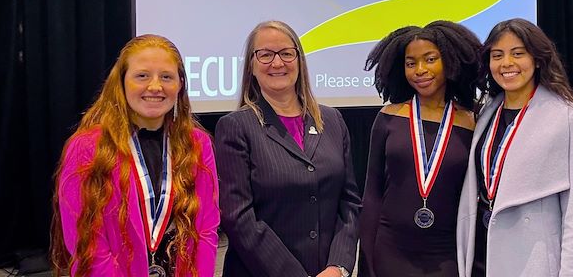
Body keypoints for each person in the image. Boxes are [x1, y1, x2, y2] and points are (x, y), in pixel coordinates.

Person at [50, 34, 220, 277]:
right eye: (142, 76)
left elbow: (206, 230)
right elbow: (87, 245)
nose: (155, 86)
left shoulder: (198, 144)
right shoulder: (87, 148)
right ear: (121, 83)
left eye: (166, 77)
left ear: (180, 84)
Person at [215, 20, 361, 277]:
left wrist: (338, 267)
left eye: (286, 53)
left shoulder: (333, 121)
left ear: (299, 60)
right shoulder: (235, 127)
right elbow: (238, 218)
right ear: (252, 65)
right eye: (266, 54)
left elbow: (349, 203)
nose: (278, 63)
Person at [456, 18, 573, 277]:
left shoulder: (568, 117)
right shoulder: (488, 111)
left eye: (518, 53)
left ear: (538, 59)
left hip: (533, 255)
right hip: (483, 246)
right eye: (497, 55)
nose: (506, 63)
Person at [360, 21, 482, 277]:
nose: (420, 70)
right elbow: (372, 192)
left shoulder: (471, 121)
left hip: (446, 253)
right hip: (390, 249)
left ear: (449, 61)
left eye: (430, 59)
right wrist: (367, 259)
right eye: (411, 63)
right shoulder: (389, 116)